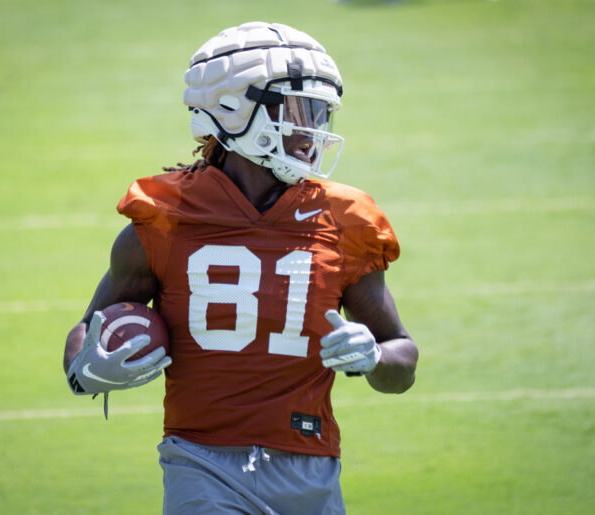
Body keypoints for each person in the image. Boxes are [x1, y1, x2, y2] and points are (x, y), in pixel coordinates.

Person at [63, 21, 418, 514]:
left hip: (311, 469)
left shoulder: (345, 220)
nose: (311, 127)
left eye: (318, 110)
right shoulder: (163, 219)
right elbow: (87, 330)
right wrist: (87, 367)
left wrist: (375, 358)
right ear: (231, 111)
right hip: (200, 464)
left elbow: (403, 362)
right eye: (295, 109)